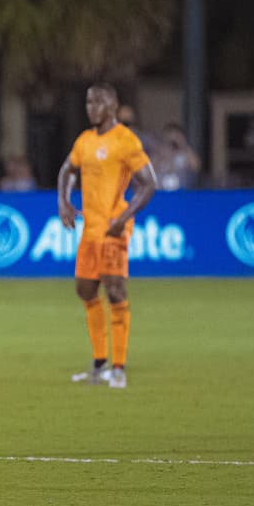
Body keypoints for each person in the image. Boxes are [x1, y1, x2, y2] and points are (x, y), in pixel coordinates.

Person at [57, 83, 156, 389]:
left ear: (112, 105)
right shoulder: (85, 141)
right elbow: (67, 170)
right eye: (88, 102)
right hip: (90, 229)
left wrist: (123, 218)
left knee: (115, 291)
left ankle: (119, 368)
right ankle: (99, 364)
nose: (91, 108)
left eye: (97, 102)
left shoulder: (125, 140)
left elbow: (149, 183)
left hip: (114, 229)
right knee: (85, 290)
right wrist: (63, 201)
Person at [152, 123, 200, 191]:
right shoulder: (159, 153)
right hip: (162, 192)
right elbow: (150, 170)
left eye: (176, 136)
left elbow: (196, 166)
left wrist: (183, 145)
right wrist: (161, 154)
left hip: (182, 192)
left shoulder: (184, 154)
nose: (173, 140)